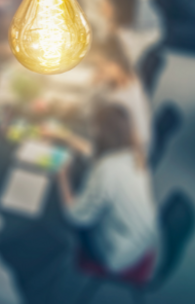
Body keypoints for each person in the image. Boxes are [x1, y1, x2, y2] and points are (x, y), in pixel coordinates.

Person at [50, 103, 159, 285]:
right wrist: (66, 137)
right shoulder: (134, 153)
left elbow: (75, 216)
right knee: (85, 184)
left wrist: (62, 176)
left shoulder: (107, 170)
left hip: (119, 253)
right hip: (144, 239)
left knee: (57, 213)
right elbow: (95, 153)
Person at [89, 35, 152, 152]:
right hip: (134, 145)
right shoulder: (131, 79)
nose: (98, 70)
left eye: (101, 66)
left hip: (128, 151)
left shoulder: (119, 101)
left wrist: (94, 87)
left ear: (116, 65)